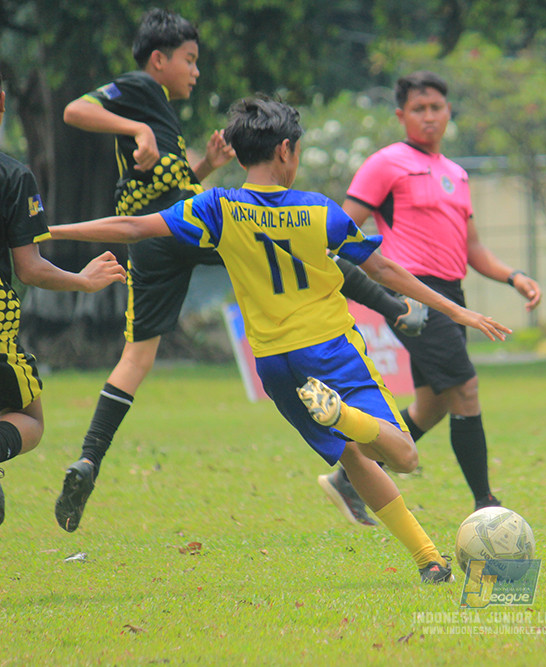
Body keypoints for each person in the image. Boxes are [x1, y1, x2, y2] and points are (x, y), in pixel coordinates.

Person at [50, 95, 511, 582]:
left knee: (353, 456)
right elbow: (384, 270)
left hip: (275, 365)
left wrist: (45, 230)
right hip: (330, 350)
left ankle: (428, 560)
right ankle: (344, 415)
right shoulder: (317, 210)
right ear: (285, 150)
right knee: (402, 454)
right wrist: (455, 309)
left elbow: (130, 226)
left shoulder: (217, 206)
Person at [55, 8, 425, 533]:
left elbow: (167, 188)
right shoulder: (140, 89)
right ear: (158, 60)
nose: (195, 71)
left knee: (136, 357)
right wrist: (135, 126)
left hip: (164, 235)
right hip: (174, 224)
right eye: (189, 60)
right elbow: (74, 110)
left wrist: (206, 166)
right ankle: (395, 307)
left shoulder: (162, 108)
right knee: (303, 250)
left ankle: (90, 457)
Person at [317, 71, 542, 527]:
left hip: (451, 292)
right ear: (401, 115)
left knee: (433, 405)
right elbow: (340, 228)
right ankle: (485, 503)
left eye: (436, 107)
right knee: (466, 388)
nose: (429, 116)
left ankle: (350, 474)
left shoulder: (457, 174)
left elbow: (473, 249)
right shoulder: (386, 163)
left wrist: (513, 276)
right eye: (418, 109)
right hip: (412, 294)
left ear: (448, 111)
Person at [0, 71, 126, 526]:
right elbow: (29, 268)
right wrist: (83, 280)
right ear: (2, 102)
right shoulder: (13, 176)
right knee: (29, 419)